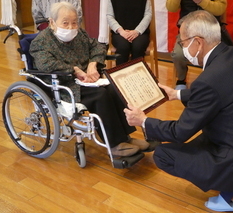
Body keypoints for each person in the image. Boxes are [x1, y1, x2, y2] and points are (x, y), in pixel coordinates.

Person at [124, 10, 233, 212]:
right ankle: (229, 187)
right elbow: (219, 91)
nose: (182, 48)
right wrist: (176, 94)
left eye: (182, 42)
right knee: (200, 140)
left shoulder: (208, 80)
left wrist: (143, 121)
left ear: (198, 42)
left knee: (163, 154)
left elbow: (180, 132)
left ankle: (228, 188)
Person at [29, 2, 151, 157]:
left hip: (86, 80)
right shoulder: (40, 42)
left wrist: (93, 65)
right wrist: (75, 70)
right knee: (101, 96)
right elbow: (46, 64)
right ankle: (114, 144)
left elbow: (98, 47)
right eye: (65, 23)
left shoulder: (79, 34)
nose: (70, 27)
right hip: (63, 85)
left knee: (114, 89)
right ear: (52, 22)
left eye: (74, 22)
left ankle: (126, 137)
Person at [167, 0, 232, 90]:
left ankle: (212, 80)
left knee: (215, 55)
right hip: (187, 33)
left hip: (210, 32)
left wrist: (201, 1)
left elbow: (220, 9)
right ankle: (181, 79)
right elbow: (171, 8)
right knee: (178, 54)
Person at [106, 0, 152, 65]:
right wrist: (121, 31)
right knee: (123, 46)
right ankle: (121, 74)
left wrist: (137, 31)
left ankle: (137, 74)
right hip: (119, 33)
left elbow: (148, 15)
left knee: (138, 46)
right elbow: (109, 16)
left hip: (140, 33)